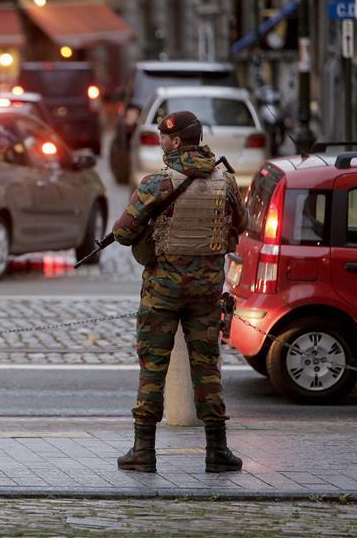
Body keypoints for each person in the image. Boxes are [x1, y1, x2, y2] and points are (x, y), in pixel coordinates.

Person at [112, 110, 247, 474]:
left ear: (175, 141)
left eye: (162, 137)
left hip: (162, 292)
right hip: (206, 290)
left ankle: (143, 450)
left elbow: (123, 233)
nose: (159, 141)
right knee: (207, 368)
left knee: (153, 367)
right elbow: (242, 223)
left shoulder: (158, 183)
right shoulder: (226, 181)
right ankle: (217, 450)